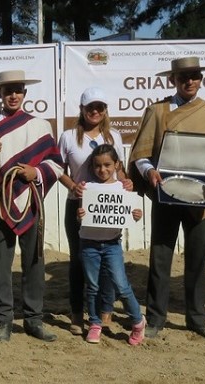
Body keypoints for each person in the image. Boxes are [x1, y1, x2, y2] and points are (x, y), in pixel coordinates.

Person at [127, 56, 205, 340]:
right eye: (184, 77)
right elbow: (140, 154)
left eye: (195, 76)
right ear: (172, 79)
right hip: (166, 192)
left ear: (201, 80)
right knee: (161, 257)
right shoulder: (158, 111)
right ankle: (156, 317)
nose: (189, 81)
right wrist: (149, 172)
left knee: (198, 258)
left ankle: (196, 318)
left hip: (201, 197)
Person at [0, 70, 64, 342]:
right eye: (8, 90)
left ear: (24, 93)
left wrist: (38, 172)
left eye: (18, 90)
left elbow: (56, 163)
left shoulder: (40, 126)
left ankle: (34, 320)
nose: (13, 95)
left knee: (34, 262)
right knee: (2, 263)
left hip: (31, 201)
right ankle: (4, 320)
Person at [57, 87, 126, 336]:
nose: (95, 111)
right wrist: (73, 186)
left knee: (108, 258)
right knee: (78, 259)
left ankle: (104, 310)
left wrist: (126, 181)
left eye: (100, 107)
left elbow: (121, 169)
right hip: (78, 204)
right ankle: (77, 312)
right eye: (90, 107)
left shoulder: (115, 137)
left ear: (105, 110)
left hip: (109, 204)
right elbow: (57, 169)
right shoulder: (67, 137)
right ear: (82, 109)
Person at [77, 144, 146, 345]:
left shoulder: (123, 188)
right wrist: (79, 215)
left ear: (116, 164)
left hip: (112, 245)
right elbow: (81, 216)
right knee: (92, 286)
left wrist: (136, 214)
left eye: (107, 165)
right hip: (89, 244)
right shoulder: (86, 187)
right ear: (92, 166)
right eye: (98, 166)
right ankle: (95, 323)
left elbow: (130, 214)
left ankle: (137, 321)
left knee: (122, 286)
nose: (103, 170)